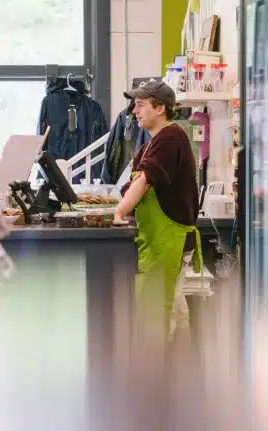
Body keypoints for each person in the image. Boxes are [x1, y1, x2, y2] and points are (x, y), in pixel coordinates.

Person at [114, 80, 202, 334]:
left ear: (160, 107)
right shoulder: (148, 146)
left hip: (169, 242)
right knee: (175, 310)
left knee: (163, 314)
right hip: (156, 243)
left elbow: (144, 181)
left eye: (140, 105)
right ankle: (184, 368)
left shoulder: (172, 136)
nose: (133, 111)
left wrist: (118, 213)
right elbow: (131, 187)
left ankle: (165, 370)